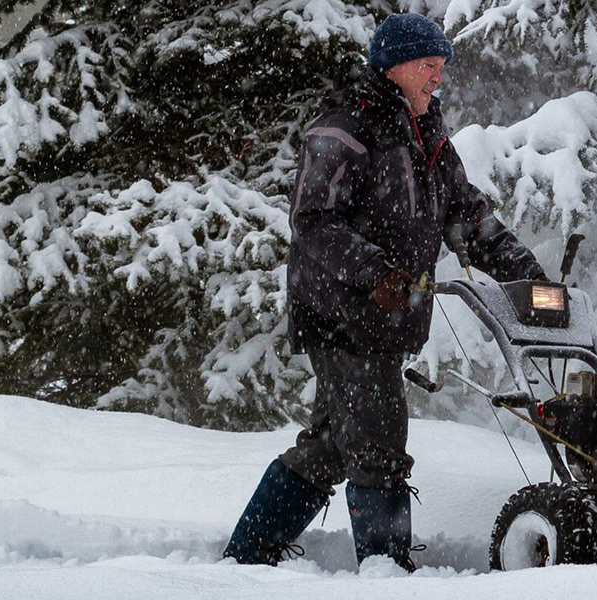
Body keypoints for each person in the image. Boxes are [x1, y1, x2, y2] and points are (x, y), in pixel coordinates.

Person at [221, 12, 546, 570]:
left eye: (442, 67)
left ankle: (248, 554)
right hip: (342, 313)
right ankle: (387, 572)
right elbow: (314, 218)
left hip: (383, 318)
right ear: (393, 67)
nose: (437, 78)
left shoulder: (430, 139)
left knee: (330, 448)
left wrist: (530, 278)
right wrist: (377, 274)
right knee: (378, 448)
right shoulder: (348, 125)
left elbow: (468, 218)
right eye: (428, 66)